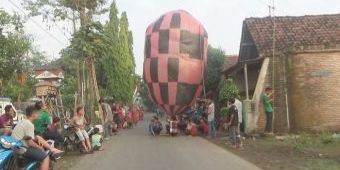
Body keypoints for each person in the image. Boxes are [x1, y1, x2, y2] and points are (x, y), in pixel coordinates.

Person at [12, 106, 63, 170]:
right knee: (45, 158)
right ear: (33, 115)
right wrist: (40, 148)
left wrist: (37, 139)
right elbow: (30, 143)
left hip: (15, 147)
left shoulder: (23, 122)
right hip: (22, 149)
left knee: (38, 137)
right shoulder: (29, 124)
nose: (38, 115)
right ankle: (52, 149)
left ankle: (52, 149)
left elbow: (28, 138)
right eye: (37, 113)